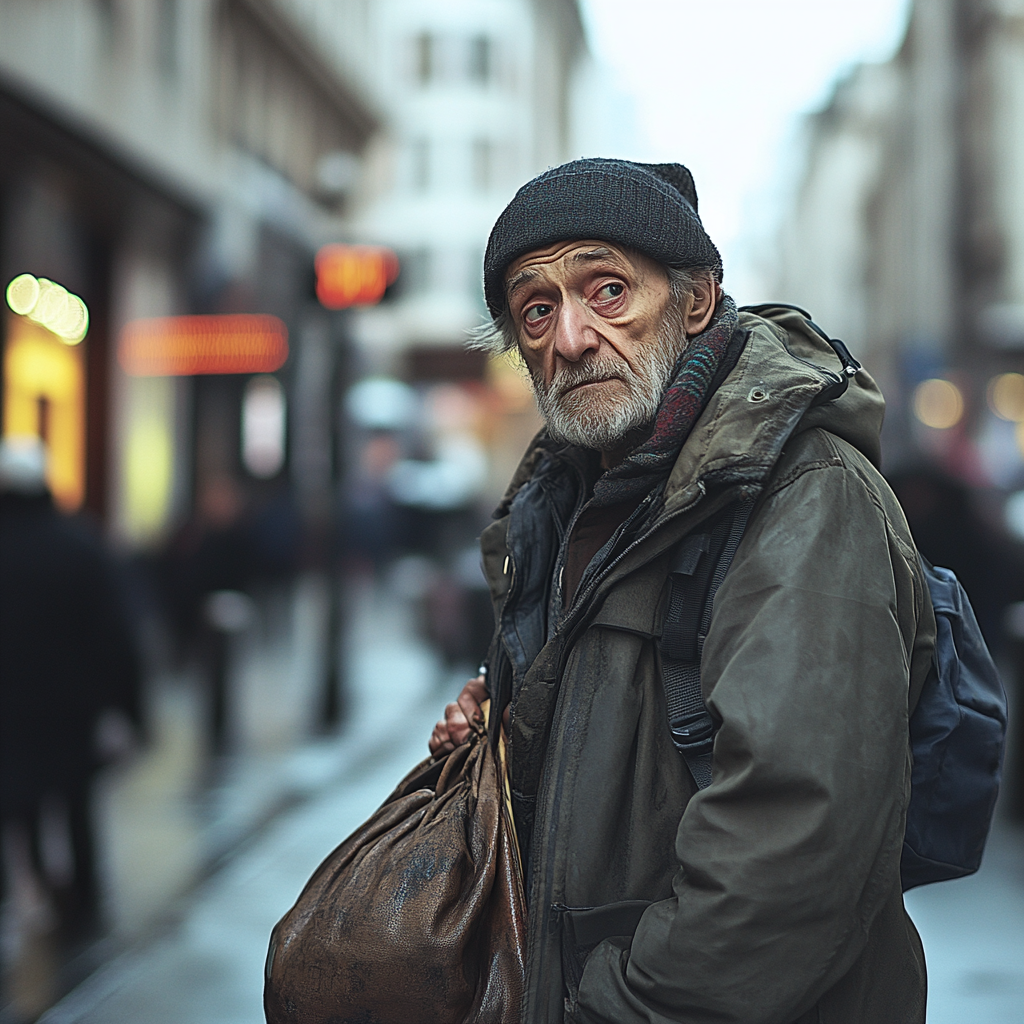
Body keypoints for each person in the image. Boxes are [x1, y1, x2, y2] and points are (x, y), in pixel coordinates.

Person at [429, 159, 936, 1024]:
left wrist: (611, 1010)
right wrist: (503, 733)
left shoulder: (805, 494)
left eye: (609, 291)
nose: (573, 337)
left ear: (696, 301)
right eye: (538, 309)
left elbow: (790, 848)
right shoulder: (575, 502)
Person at [0, 437, 142, 947]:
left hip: (9, 713)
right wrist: (129, 709)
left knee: (16, 806)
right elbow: (115, 634)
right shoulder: (79, 545)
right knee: (76, 806)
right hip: (70, 711)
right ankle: (82, 907)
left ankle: (26, 895)